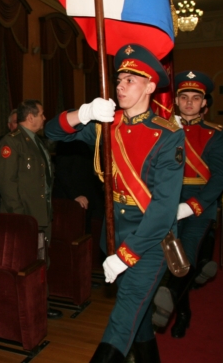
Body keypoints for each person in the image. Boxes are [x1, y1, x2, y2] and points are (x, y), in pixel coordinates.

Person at [45, 44, 184, 362]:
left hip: (148, 240)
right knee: (139, 314)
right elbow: (54, 132)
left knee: (122, 321)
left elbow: (163, 208)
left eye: (131, 80)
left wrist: (126, 256)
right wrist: (83, 113)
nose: (120, 85)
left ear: (150, 86)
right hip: (113, 232)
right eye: (119, 78)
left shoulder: (168, 134)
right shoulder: (105, 125)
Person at [152, 70, 223, 340]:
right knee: (172, 259)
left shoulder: (215, 134)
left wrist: (193, 205)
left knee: (188, 255)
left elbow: (220, 177)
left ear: (204, 104)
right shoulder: (163, 130)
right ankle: (182, 310)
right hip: (167, 200)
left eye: (195, 98)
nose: (189, 102)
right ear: (176, 101)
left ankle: (170, 297)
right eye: (183, 97)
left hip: (200, 202)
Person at [0, 99, 63, 320]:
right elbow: (7, 183)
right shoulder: (12, 141)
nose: (45, 118)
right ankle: (29, 309)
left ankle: (40, 304)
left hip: (41, 214)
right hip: (26, 217)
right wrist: (21, 218)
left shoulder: (37, 141)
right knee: (29, 264)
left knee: (42, 261)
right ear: (31, 117)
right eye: (42, 114)